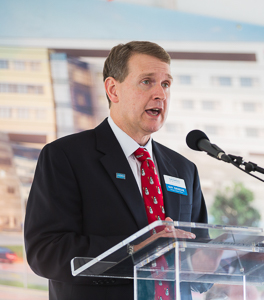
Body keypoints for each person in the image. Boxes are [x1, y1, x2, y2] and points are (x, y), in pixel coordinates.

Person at [24, 41, 209, 300]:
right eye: (147, 81)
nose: (161, 94)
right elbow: (46, 253)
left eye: (166, 84)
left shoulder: (183, 169)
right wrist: (136, 249)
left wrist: (217, 261)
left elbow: (200, 262)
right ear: (113, 89)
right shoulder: (66, 157)